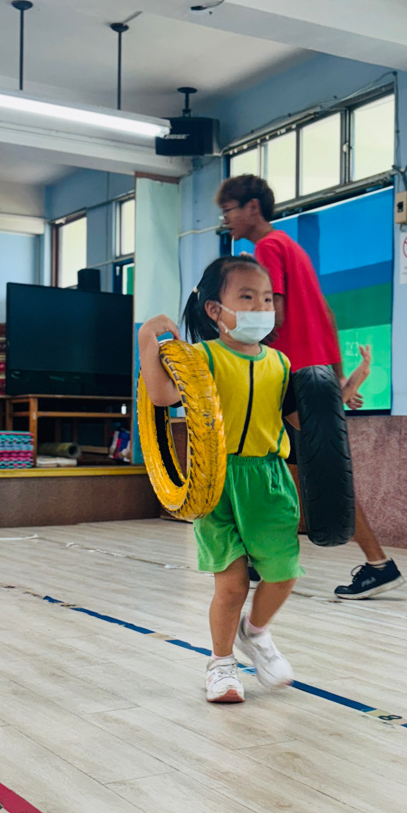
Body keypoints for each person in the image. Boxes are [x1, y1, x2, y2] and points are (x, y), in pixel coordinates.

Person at [215, 173, 405, 600]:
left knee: (313, 474)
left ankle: (379, 564)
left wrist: (243, 357)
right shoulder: (292, 248)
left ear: (252, 208)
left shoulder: (267, 248)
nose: (225, 220)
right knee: (297, 471)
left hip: (288, 376)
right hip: (311, 373)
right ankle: (268, 558)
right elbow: (326, 314)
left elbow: (275, 314)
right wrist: (336, 377)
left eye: (228, 211)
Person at [138, 255, 300, 703]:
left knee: (283, 574)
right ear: (215, 309)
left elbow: (299, 418)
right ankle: (222, 664)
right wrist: (147, 338)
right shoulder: (201, 358)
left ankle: (256, 632)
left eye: (266, 299)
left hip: (269, 481)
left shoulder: (280, 363)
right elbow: (161, 396)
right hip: (216, 481)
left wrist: (340, 394)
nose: (260, 308)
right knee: (231, 585)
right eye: (246, 297)